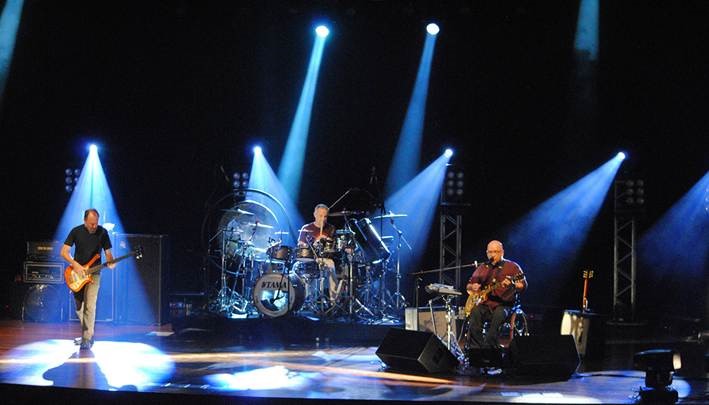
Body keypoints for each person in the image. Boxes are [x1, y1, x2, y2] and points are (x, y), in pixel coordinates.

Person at [60, 208, 115, 350]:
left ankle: (87, 338)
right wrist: (75, 265)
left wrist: (111, 261)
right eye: (91, 223)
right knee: (79, 308)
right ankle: (88, 334)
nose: (94, 226)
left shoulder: (103, 232)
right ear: (84, 221)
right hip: (77, 274)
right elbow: (64, 252)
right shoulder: (76, 231)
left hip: (94, 274)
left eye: (96, 223)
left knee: (90, 306)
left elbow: (108, 253)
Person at [465, 240, 527, 350]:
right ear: (487, 253)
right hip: (485, 304)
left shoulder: (512, 267)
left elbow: (523, 285)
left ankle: (489, 348)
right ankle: (477, 349)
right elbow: (468, 286)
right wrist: (473, 287)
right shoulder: (483, 267)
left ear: (502, 252)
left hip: (505, 305)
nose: (493, 255)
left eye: (496, 252)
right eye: (490, 252)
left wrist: (513, 284)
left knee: (499, 314)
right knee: (475, 312)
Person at [297, 204, 341, 304]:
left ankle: (334, 300)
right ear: (315, 215)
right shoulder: (306, 228)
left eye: (325, 216)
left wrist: (328, 241)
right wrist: (314, 242)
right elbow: (300, 245)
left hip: (324, 258)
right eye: (321, 216)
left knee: (330, 263)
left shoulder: (330, 228)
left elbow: (334, 247)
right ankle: (305, 299)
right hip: (310, 258)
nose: (323, 219)